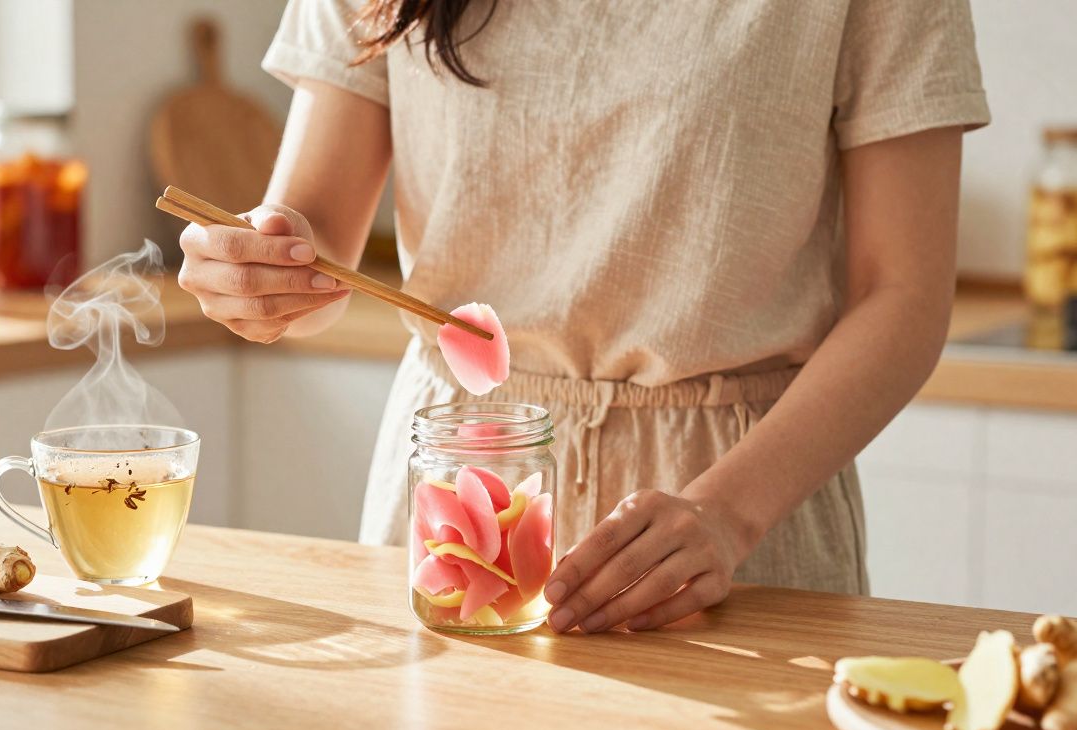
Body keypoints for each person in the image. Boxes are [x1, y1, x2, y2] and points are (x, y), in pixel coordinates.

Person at [177, 0, 989, 634]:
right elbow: (315, 235)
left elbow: (904, 293)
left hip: (737, 509)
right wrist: (269, 271)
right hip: (460, 485)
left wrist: (727, 515)